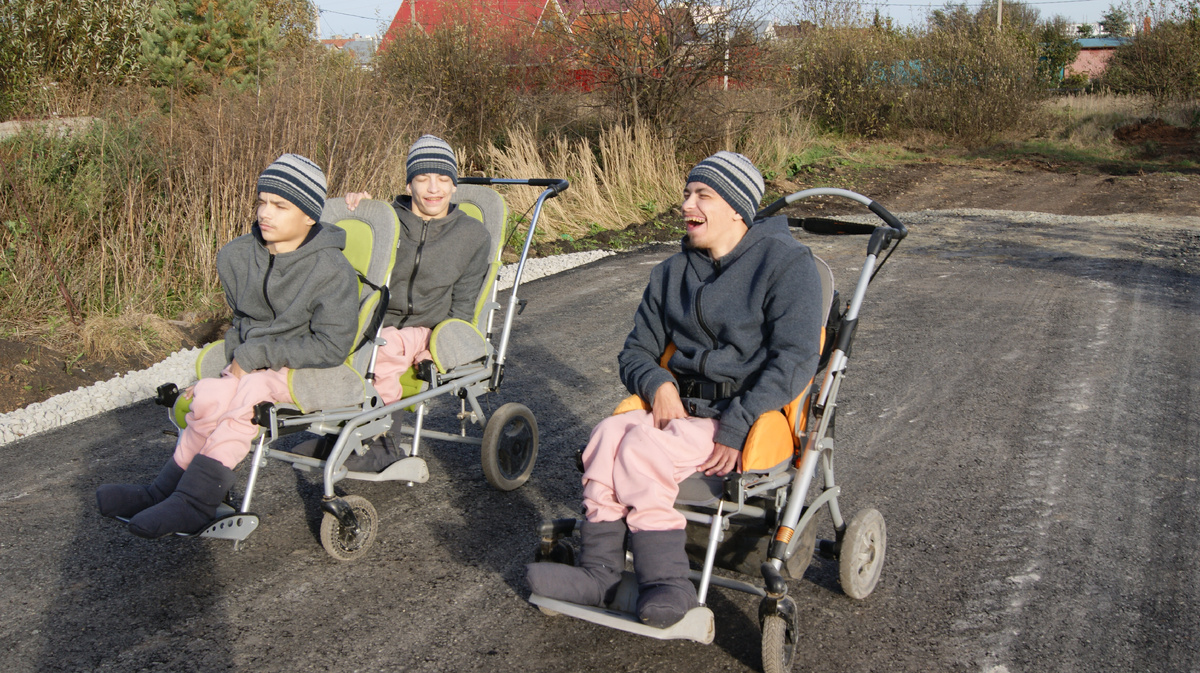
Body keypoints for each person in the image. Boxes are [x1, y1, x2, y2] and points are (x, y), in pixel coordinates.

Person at [525, 152, 824, 628]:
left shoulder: (787, 266)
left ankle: (669, 584)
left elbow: (795, 360)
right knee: (606, 436)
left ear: (736, 209)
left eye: (702, 195)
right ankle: (599, 572)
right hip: (677, 410)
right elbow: (635, 353)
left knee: (641, 448)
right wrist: (657, 382)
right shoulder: (671, 273)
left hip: (740, 415)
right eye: (687, 193)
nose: (687, 204)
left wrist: (737, 421)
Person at [96, 154, 360, 538]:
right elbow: (241, 323)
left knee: (248, 394)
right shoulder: (239, 256)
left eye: (280, 206)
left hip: (308, 370)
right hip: (253, 366)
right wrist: (231, 367)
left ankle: (195, 504)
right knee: (208, 397)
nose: (265, 213)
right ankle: (161, 491)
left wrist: (254, 358)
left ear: (308, 215)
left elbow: (332, 346)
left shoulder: (332, 271)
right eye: (262, 201)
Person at [296, 134, 492, 472]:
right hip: (375, 317)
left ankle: (383, 444)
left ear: (455, 184)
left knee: (379, 354)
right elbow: (330, 249)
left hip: (425, 327)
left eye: (443, 179)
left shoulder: (473, 235)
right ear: (409, 182)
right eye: (423, 178)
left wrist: (442, 347)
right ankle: (338, 434)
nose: (434, 188)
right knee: (330, 346)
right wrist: (357, 213)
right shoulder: (387, 220)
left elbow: (464, 304)